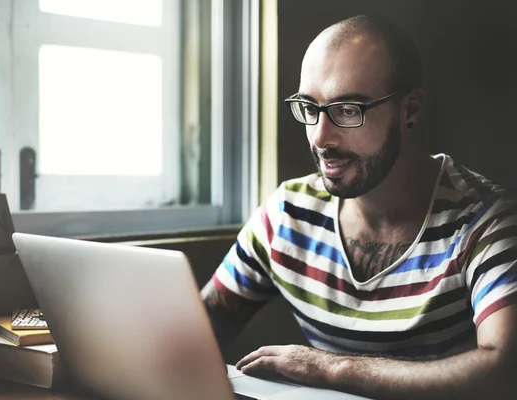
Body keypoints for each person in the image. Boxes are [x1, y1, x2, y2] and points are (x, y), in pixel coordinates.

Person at [201, 14, 517, 400]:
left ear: (410, 111)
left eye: (348, 109)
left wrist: (332, 367)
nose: (320, 137)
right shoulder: (286, 214)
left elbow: (503, 371)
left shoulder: (487, 219)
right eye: (310, 107)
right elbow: (198, 331)